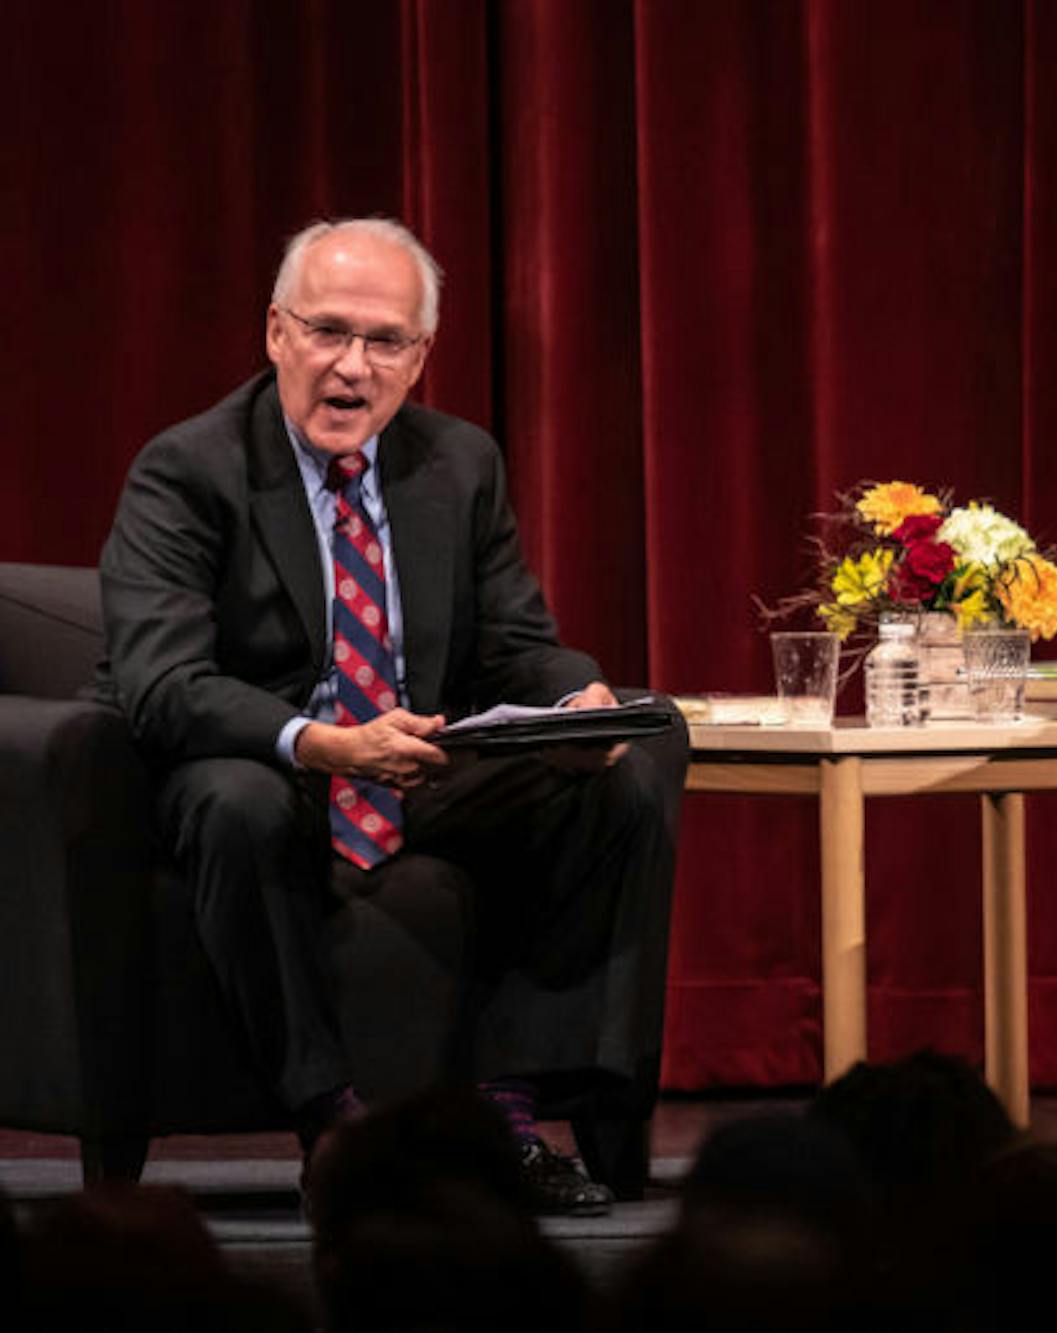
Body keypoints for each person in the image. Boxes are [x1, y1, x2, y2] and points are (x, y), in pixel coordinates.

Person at [94, 217, 682, 1214]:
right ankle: (332, 1121)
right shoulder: (188, 469)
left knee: (627, 759)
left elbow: (515, 640)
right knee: (236, 800)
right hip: (262, 764)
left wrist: (574, 696)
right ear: (275, 332)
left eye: (384, 343)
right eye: (328, 333)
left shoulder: (456, 464)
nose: (352, 368)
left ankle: (515, 1109)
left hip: (410, 764)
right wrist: (323, 744)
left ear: (420, 357)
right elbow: (161, 682)